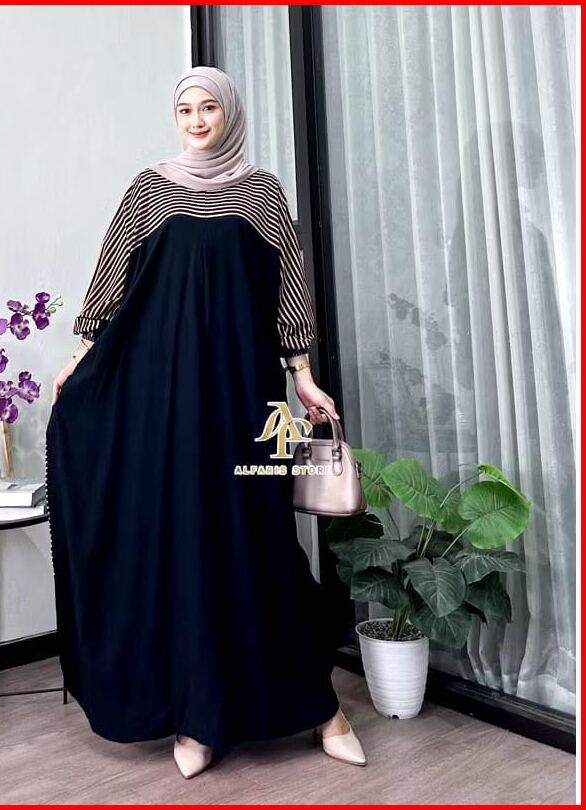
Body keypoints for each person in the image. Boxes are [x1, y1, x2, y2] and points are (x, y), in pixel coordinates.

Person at [45, 66, 366, 779]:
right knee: (187, 540)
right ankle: (199, 716)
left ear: (230, 114)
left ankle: (323, 710)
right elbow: (112, 279)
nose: (195, 120)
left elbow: (289, 291)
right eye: (185, 109)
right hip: (166, 399)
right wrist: (80, 355)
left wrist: (303, 378)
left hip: (247, 394)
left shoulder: (263, 192)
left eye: (208, 108)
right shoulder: (149, 190)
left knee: (261, 541)